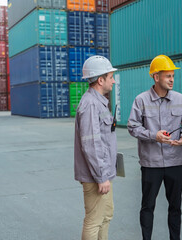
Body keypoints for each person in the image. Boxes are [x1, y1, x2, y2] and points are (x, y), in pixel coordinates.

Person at [127, 55, 182, 240]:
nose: (172, 79)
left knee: (175, 207)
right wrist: (153, 135)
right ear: (156, 77)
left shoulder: (180, 99)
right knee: (147, 206)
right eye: (168, 76)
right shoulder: (141, 100)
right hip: (151, 164)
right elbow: (132, 127)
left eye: (173, 76)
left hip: (175, 162)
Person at [74, 55, 118, 240]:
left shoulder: (99, 101)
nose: (114, 81)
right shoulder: (91, 104)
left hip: (103, 173)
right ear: (100, 80)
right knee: (93, 221)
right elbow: (91, 144)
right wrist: (101, 177)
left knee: (106, 215)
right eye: (110, 77)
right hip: (96, 176)